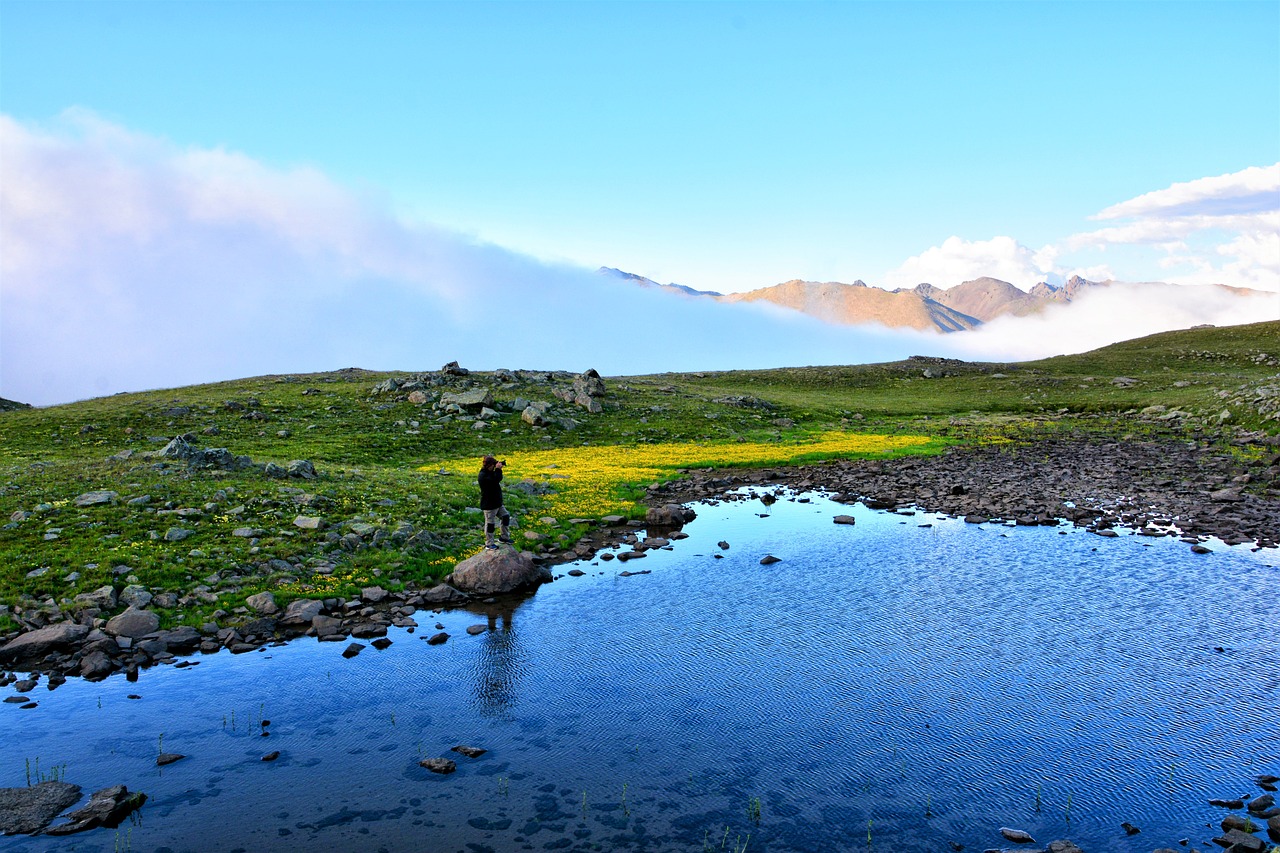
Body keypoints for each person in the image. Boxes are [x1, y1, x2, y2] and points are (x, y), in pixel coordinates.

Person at [478, 455, 511, 549]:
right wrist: (498, 469)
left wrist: (497, 469)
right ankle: (489, 543)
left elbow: (497, 477)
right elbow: (496, 479)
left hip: (497, 503)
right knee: (490, 524)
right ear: (489, 465)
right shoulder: (483, 476)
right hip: (489, 505)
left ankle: (504, 537)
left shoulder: (490, 472)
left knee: (505, 517)